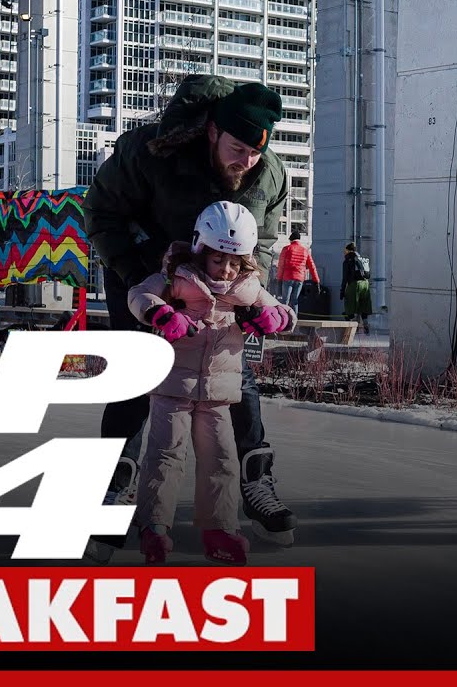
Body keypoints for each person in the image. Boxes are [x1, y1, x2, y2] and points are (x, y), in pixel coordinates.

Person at [81, 77, 299, 562]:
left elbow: (263, 242)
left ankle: (255, 480)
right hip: (145, 274)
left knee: (234, 377)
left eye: (255, 152)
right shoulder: (152, 152)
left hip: (222, 282)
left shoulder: (269, 173)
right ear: (212, 131)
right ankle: (116, 488)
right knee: (139, 374)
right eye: (237, 149)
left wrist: (253, 301)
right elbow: (100, 211)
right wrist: (146, 284)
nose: (246, 161)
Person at [128, 202, 296, 565]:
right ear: (201, 249)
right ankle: (154, 526)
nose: (226, 269)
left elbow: (284, 311)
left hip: (219, 394)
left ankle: (219, 529)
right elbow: (139, 295)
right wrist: (161, 313)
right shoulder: (177, 277)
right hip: (172, 386)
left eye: (235, 262)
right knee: (165, 455)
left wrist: (275, 318)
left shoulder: (247, 288)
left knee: (222, 460)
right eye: (219, 259)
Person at [275, 230, 319, 315]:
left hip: (288, 277)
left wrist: (279, 279)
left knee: (285, 300)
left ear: (291, 239)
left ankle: (284, 318)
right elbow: (312, 266)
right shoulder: (305, 250)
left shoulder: (287, 249)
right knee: (295, 300)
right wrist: (316, 280)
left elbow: (281, 265)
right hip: (300, 278)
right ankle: (294, 319)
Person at [340, 242, 372, 335]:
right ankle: (366, 325)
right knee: (363, 306)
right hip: (365, 284)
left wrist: (342, 291)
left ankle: (352, 328)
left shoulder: (348, 261)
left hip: (355, 284)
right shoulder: (361, 259)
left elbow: (345, 278)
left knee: (349, 306)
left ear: (347, 251)